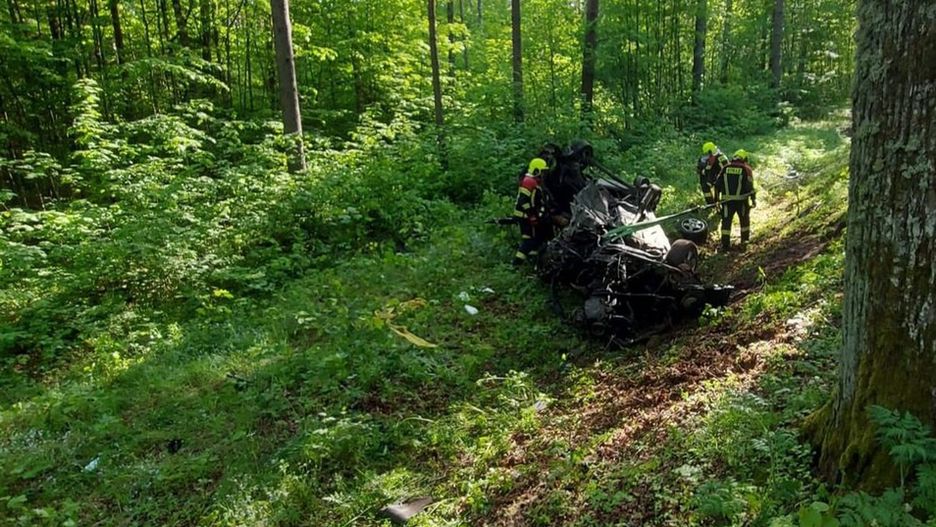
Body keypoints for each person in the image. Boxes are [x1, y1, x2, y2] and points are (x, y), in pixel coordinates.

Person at [714, 149, 756, 251]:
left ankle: (725, 245)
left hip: (726, 202)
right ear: (744, 159)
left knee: (726, 223)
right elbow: (749, 186)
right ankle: (744, 242)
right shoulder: (746, 169)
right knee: (744, 221)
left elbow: (717, 185)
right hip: (741, 202)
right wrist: (753, 199)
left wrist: (716, 200)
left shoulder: (725, 168)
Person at [512, 157, 550, 265]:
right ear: (536, 170)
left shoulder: (534, 182)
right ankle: (516, 264)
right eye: (542, 172)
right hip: (525, 217)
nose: (543, 174)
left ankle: (532, 262)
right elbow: (523, 200)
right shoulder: (529, 182)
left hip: (527, 216)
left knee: (535, 240)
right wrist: (531, 215)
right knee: (529, 241)